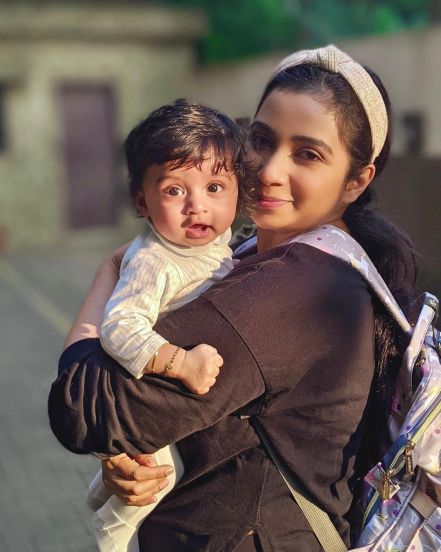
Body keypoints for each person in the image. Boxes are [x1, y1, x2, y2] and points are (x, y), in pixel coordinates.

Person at [49, 45, 418, 551]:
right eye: (261, 141)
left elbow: (81, 408)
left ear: (357, 180)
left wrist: (107, 276)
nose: (268, 171)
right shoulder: (248, 253)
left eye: (307, 154)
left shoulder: (295, 288)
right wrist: (133, 453)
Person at [86, 100, 249, 551]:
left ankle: (97, 493)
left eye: (215, 186)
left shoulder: (217, 244)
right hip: (139, 394)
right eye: (175, 191)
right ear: (142, 200)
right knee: (159, 475)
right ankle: (107, 536)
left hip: (147, 397)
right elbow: (118, 326)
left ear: (239, 190)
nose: (197, 207)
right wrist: (182, 362)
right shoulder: (156, 261)